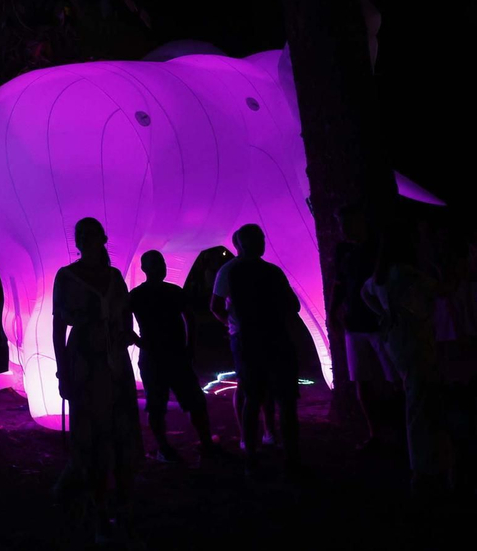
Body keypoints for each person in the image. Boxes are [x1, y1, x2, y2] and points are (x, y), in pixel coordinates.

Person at [52, 217, 142, 545]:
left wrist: (125, 339)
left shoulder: (114, 276)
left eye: (94, 237)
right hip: (85, 364)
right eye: (84, 237)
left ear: (101, 239)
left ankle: (120, 502)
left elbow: (126, 314)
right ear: (79, 243)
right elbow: (58, 328)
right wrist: (62, 371)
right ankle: (98, 508)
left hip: (113, 364)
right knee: (93, 438)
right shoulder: (67, 277)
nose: (90, 242)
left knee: (118, 434)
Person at [362, 219, 454, 494]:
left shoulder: (381, 275)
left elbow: (364, 293)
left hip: (398, 341)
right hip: (413, 341)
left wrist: (383, 314)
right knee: (420, 403)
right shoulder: (406, 273)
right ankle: (423, 468)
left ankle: (426, 464)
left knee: (417, 398)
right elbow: (443, 289)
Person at [210, 223, 301, 476]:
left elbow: (215, 306)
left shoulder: (230, 271)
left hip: (247, 340)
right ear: (243, 243)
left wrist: (233, 325)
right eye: (259, 238)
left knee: (251, 395)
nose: (262, 241)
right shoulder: (272, 271)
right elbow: (293, 305)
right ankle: (290, 455)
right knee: (285, 398)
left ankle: (251, 454)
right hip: (275, 339)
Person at [129, 250, 216, 462]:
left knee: (159, 403)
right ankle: (202, 444)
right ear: (147, 268)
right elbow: (190, 319)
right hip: (172, 355)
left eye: (161, 263)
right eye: (158, 263)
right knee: (187, 400)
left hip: (157, 356)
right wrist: (189, 347)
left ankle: (166, 447)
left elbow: (123, 325)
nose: (162, 267)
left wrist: (142, 344)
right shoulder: (172, 292)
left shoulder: (138, 295)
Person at [329, 203, 395, 450]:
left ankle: (398, 428)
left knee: (393, 376)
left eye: (348, 223)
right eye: (341, 224)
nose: (344, 229)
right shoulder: (343, 250)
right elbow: (339, 282)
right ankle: (375, 433)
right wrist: (333, 312)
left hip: (380, 323)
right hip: (354, 323)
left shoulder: (377, 248)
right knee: (362, 380)